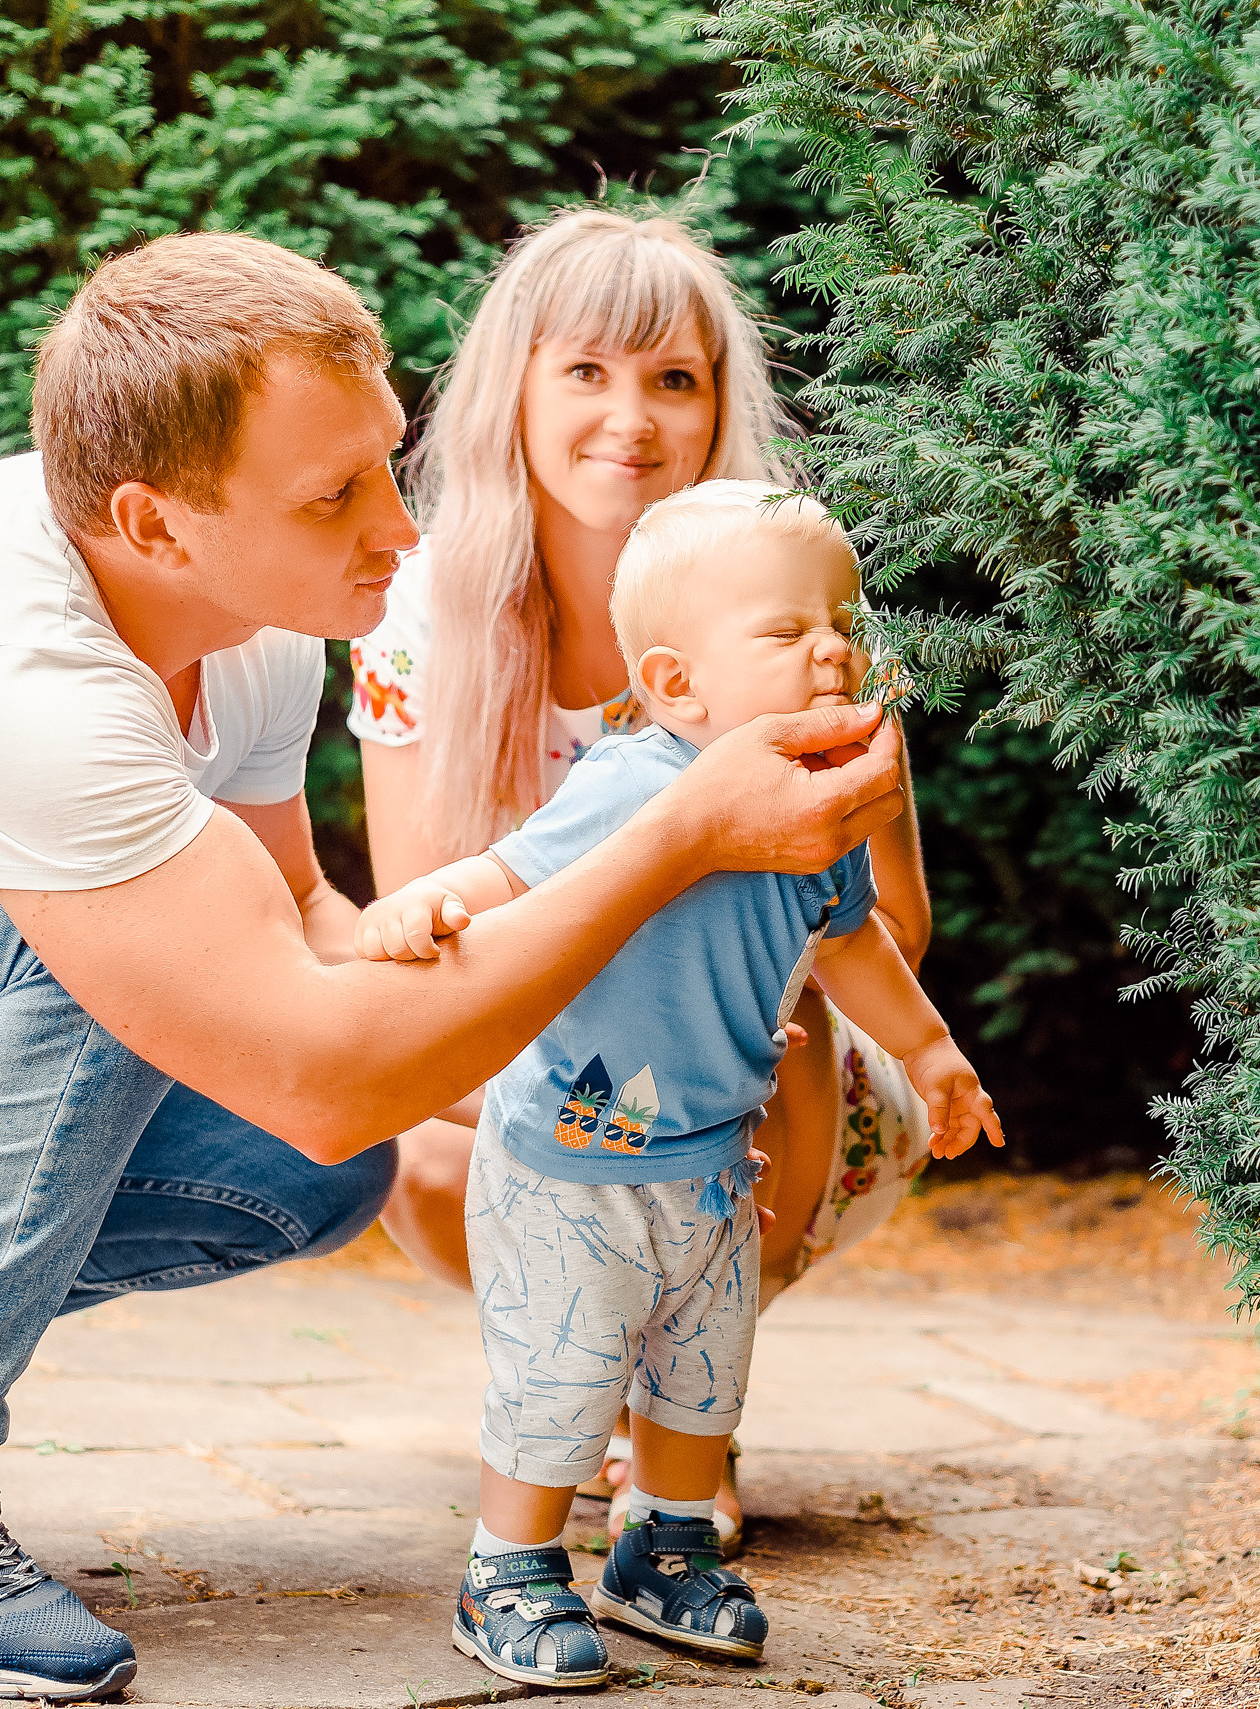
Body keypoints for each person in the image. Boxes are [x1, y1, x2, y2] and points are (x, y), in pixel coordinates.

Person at [0, 233, 904, 1704]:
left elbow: (313, 934)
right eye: (334, 496)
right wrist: (681, 832)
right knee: (105, 939)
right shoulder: (14, 673)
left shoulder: (251, 619)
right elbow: (317, 1065)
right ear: (154, 518)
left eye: (386, 462)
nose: (398, 532)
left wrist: (574, 1093)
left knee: (311, 1166)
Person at [349, 208, 939, 1551]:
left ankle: (684, 1430)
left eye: (675, 378)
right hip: (545, 1044)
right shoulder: (420, 613)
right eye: (587, 372)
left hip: (777, 1062)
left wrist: (769, 975)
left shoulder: (810, 608)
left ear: (719, 406)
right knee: (423, 1163)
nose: (633, 416)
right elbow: (425, 929)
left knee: (767, 1045)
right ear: (517, 388)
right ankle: (579, 1386)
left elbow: (894, 914)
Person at [357, 481, 1001, 1690]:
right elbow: (520, 868)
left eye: (842, 624)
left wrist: (927, 1050)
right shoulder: (636, 780)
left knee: (702, 1371)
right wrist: (431, 902)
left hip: (709, 1159)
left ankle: (664, 1542)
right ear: (678, 684)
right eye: (784, 631)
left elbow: (851, 938)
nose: (831, 648)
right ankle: (506, 1563)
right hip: (571, 1160)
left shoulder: (826, 803)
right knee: (563, 1368)